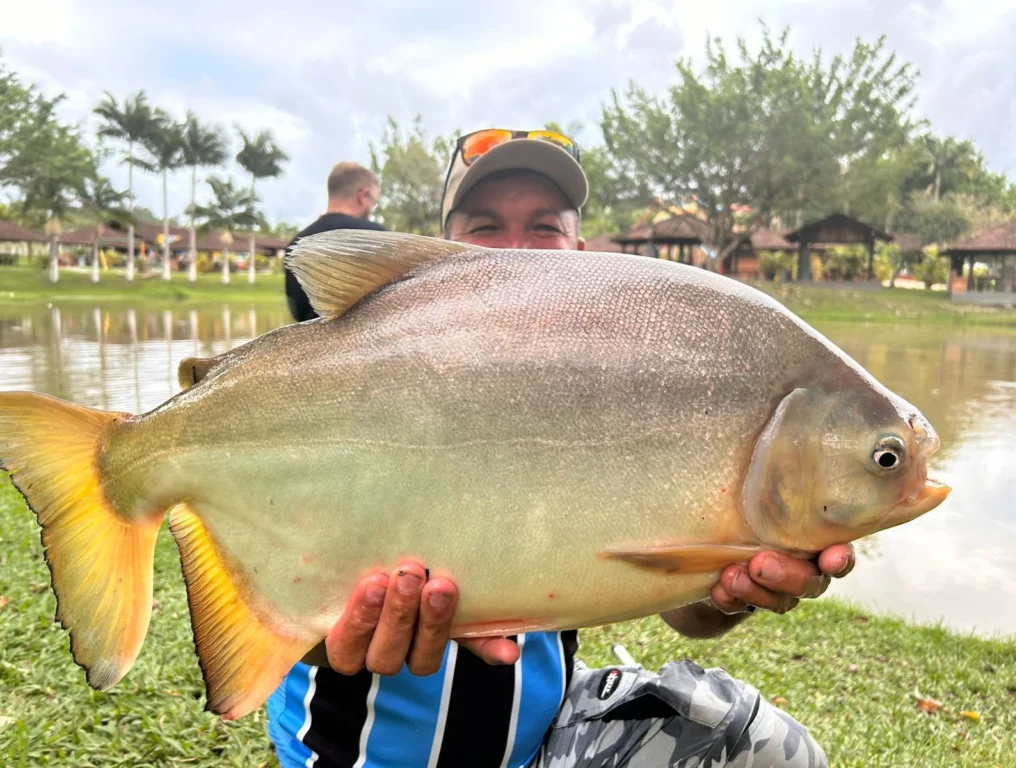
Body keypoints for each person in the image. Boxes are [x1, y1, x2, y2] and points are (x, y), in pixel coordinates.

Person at [268, 129, 850, 767]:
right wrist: (323, 637)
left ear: (582, 253)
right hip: (349, 756)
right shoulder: (356, 383)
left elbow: (683, 614)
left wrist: (727, 580)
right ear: (441, 252)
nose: (518, 254)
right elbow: (276, 598)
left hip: (543, 746)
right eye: (485, 227)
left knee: (772, 752)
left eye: (544, 228)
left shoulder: (617, 391)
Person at [284, 161, 384, 322]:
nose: (372, 207)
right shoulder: (379, 238)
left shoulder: (296, 244)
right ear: (363, 196)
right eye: (374, 201)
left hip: (310, 345)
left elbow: (297, 311)